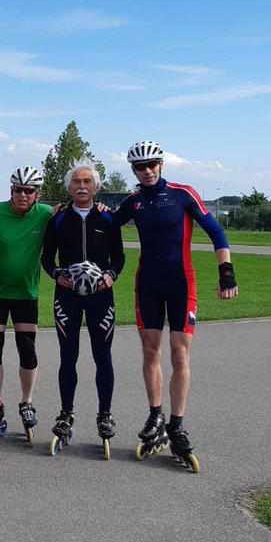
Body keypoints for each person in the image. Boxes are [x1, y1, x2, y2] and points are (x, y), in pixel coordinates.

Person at [113, 140, 238, 471]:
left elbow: (217, 233)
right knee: (150, 353)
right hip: (148, 284)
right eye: (141, 167)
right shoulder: (133, 201)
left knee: (179, 354)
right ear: (133, 171)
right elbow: (103, 227)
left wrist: (226, 275)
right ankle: (155, 415)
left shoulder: (183, 194)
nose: (148, 170)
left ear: (161, 164)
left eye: (152, 164)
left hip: (182, 283)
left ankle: (177, 425)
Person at [40, 159, 125, 458]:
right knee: (68, 356)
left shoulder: (108, 218)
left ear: (96, 187)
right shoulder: (59, 218)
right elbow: (47, 258)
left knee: (103, 355)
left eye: (87, 182)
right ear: (68, 187)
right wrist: (57, 276)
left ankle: (105, 415)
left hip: (101, 297)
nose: (82, 186)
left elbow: (119, 258)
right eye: (77, 182)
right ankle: (66, 413)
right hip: (68, 296)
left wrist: (110, 277)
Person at [0, 165, 54, 445]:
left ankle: (26, 402)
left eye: (28, 190)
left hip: (26, 293)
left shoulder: (45, 213)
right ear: (11, 190)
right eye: (17, 190)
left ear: (37, 193)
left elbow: (77, 211)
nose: (22, 195)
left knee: (27, 349)